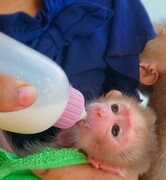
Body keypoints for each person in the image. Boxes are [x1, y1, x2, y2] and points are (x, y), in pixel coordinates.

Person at [0, 0, 154, 179]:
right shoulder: (78, 83)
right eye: (115, 108)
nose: (104, 113)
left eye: (115, 130)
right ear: (113, 95)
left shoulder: (67, 164)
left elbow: (14, 159)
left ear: (100, 163)